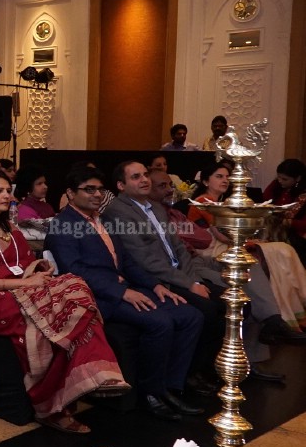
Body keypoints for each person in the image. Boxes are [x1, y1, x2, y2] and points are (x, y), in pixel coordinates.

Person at [0, 168, 127, 433]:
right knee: (48, 326)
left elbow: (20, 262)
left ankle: (93, 376)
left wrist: (37, 267)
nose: (6, 196)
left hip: (17, 289)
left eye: (7, 191)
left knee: (74, 290)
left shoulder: (6, 227)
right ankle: (52, 406)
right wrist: (25, 283)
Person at [101, 160, 279, 386]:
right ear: (121, 185)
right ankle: (192, 373)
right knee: (209, 309)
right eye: (136, 177)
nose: (144, 179)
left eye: (145, 174)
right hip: (158, 279)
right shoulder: (118, 211)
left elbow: (179, 247)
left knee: (236, 303)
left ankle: (213, 366)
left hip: (183, 272)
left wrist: (193, 278)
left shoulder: (154, 207)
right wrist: (189, 284)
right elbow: (144, 259)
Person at [46, 165, 203, 420]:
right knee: (160, 322)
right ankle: (151, 392)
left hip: (126, 286)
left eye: (99, 189)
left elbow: (127, 262)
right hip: (99, 296)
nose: (96, 195)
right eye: (89, 190)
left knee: (190, 316)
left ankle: (171, 387)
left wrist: (155, 285)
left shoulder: (103, 219)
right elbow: (74, 272)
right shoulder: (63, 226)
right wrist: (122, 293)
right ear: (70, 193)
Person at [188, 162, 306, 341]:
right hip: (210, 251)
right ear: (205, 181)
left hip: (226, 247)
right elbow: (223, 236)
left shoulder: (220, 202)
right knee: (270, 254)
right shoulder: (204, 202)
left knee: (280, 252)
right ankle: (276, 319)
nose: (225, 180)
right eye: (219, 176)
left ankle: (280, 319)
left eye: (227, 177)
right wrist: (250, 239)